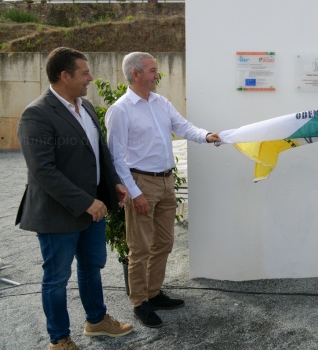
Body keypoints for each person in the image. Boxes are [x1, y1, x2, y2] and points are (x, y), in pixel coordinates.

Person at [16, 47, 133, 349]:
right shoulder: (37, 114)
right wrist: (85, 201)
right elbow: (43, 171)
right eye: (84, 73)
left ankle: (96, 320)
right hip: (59, 213)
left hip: (94, 207)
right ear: (64, 75)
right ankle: (59, 339)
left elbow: (100, 153)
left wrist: (114, 184)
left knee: (91, 267)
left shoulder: (87, 108)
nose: (90, 78)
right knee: (56, 278)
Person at [105, 52, 221, 328]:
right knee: (140, 248)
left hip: (167, 181)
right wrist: (135, 193)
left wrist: (206, 136)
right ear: (136, 74)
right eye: (152, 70)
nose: (157, 74)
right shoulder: (120, 110)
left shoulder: (161, 102)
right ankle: (139, 303)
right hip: (142, 183)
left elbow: (183, 126)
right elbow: (116, 158)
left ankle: (154, 293)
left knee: (164, 243)